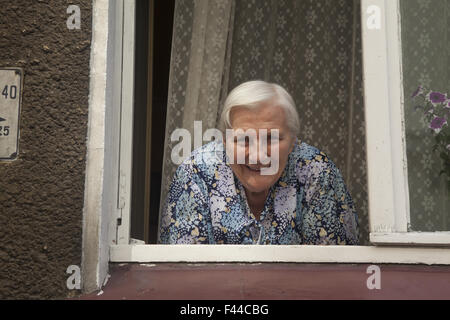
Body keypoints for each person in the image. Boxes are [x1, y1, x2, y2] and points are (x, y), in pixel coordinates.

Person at [159, 80, 359, 245]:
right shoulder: (196, 172)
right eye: (243, 140)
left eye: (271, 139)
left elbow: (334, 272)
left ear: (293, 141)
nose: (256, 156)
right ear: (225, 141)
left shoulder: (316, 171)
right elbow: (185, 274)